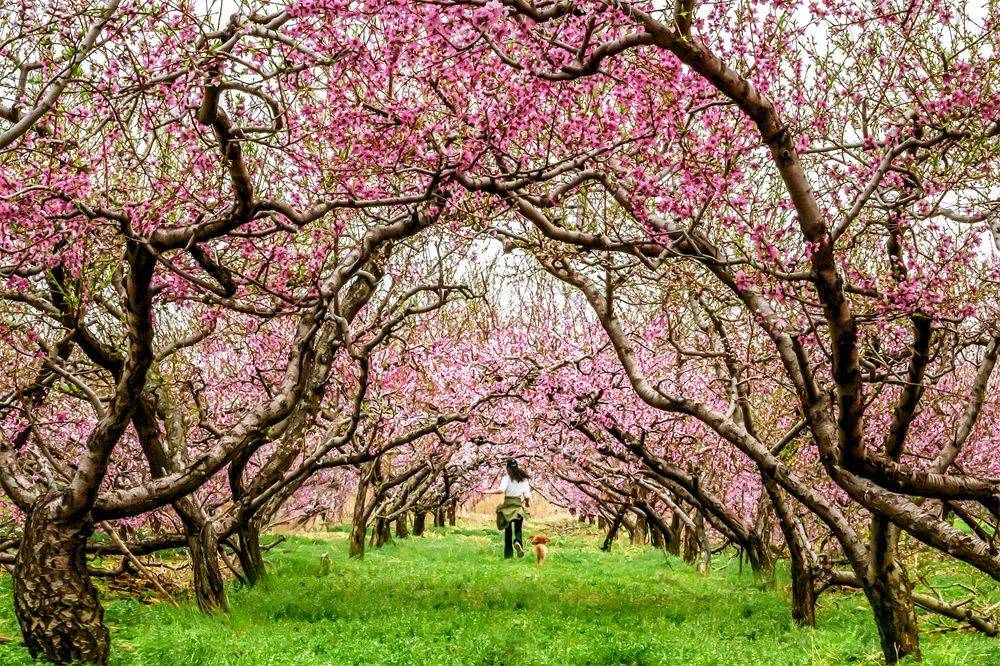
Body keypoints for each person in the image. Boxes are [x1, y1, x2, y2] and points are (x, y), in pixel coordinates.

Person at [495, 458, 531, 558]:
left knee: (508, 531)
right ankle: (518, 541)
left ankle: (508, 555)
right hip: (518, 507)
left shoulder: (506, 478)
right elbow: (527, 495)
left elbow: (501, 490)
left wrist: (487, 492)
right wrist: (527, 503)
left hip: (507, 507)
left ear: (507, 468)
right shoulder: (523, 479)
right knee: (518, 529)